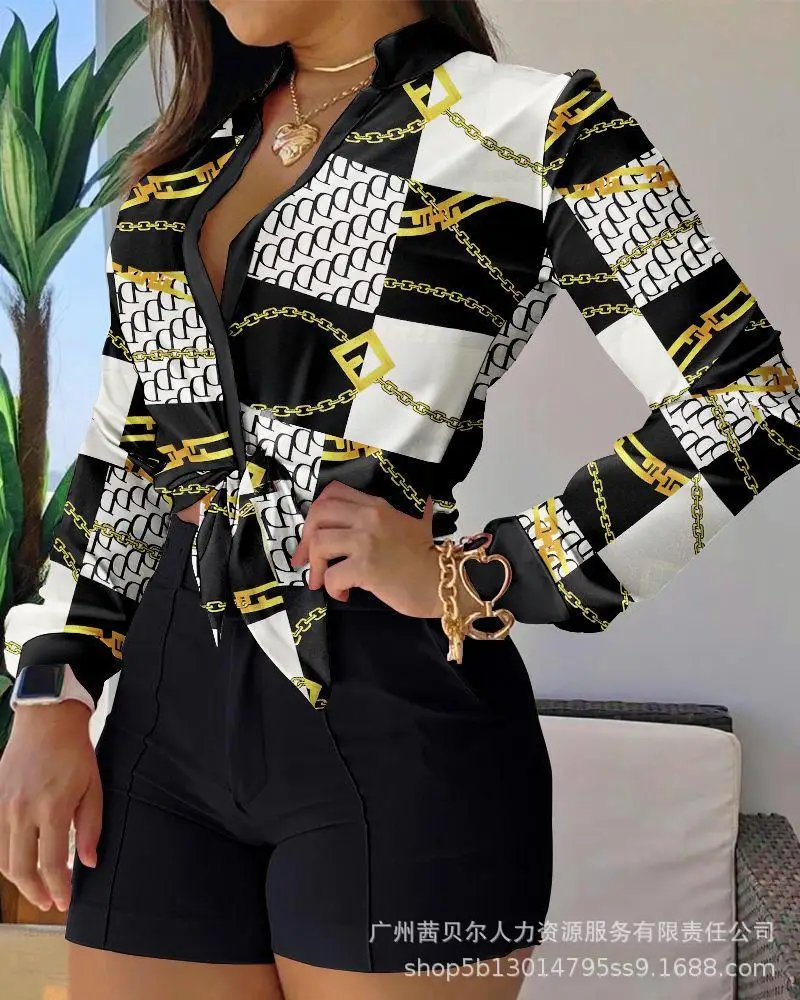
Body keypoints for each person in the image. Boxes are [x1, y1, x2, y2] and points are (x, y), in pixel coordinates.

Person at [1, 1, 798, 998]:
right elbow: (124, 450)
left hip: (394, 722)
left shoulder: (535, 125)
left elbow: (745, 399)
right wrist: (54, 693)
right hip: (162, 726)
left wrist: (490, 571)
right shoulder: (187, 160)